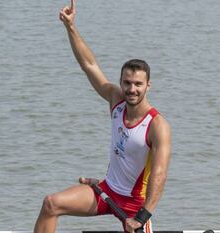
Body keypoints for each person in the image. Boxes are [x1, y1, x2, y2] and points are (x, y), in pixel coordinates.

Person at [34, 1, 171, 233]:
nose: (132, 89)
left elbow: (159, 176)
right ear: (120, 83)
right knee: (51, 204)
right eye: (127, 83)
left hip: (135, 205)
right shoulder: (115, 100)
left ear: (148, 85)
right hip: (106, 191)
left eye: (138, 84)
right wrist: (70, 27)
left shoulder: (157, 126)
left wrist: (141, 216)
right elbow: (89, 64)